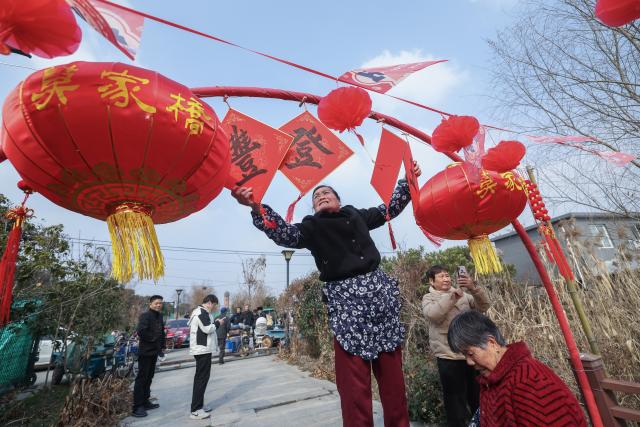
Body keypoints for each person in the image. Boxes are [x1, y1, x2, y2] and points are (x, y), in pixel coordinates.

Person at [231, 162, 422, 427]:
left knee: (392, 379)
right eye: (316, 196)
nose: (321, 195)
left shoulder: (355, 214)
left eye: (326, 193)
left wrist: (406, 181)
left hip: (380, 298)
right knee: (354, 386)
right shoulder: (312, 226)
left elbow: (388, 209)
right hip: (345, 304)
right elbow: (285, 233)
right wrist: (256, 207)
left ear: (339, 200)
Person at [447, 310, 587, 426]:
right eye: (465, 355)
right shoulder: (493, 379)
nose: (469, 362)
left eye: (470, 354)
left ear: (492, 343)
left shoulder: (530, 382)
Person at [421, 265, 490, 427]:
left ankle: (481, 423)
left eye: (447, 276)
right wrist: (452, 297)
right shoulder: (428, 298)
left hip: (471, 354)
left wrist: (473, 288)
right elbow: (434, 315)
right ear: (431, 281)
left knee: (477, 396)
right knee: (454, 401)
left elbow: (484, 306)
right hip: (448, 355)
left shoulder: (464, 295)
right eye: (441, 276)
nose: (446, 279)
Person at [188, 294, 224, 420]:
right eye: (214, 305)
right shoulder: (201, 312)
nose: (214, 308)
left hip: (203, 349)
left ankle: (200, 405)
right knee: (201, 379)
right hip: (201, 350)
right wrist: (218, 323)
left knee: (202, 378)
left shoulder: (201, 312)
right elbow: (208, 328)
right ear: (209, 302)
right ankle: (196, 410)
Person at [131, 295, 165, 418]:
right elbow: (141, 331)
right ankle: (137, 407)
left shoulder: (160, 316)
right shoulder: (145, 316)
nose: (159, 305)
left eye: (160, 303)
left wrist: (162, 346)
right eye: (156, 303)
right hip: (145, 352)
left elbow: (162, 332)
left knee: (149, 377)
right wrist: (154, 339)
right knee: (142, 378)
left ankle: (145, 401)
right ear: (150, 304)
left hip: (154, 352)